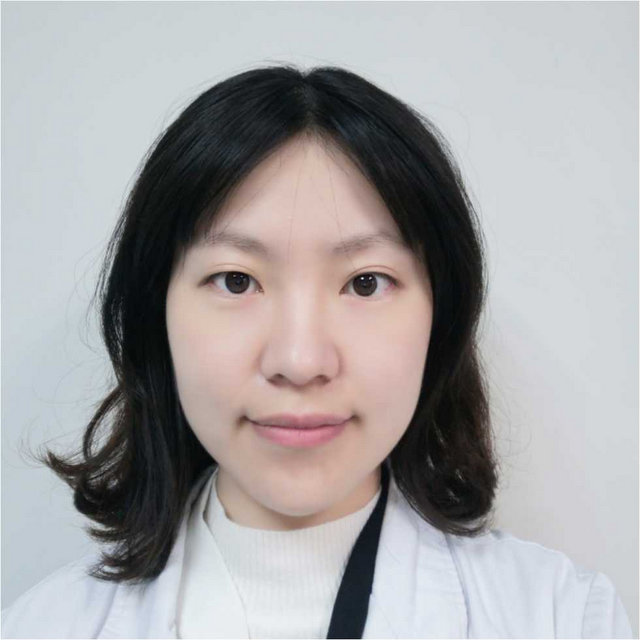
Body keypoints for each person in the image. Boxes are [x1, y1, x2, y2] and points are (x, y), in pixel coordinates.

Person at [1, 64, 632, 639]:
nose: (300, 362)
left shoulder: (564, 617)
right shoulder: (41, 627)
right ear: (154, 314)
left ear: (441, 318)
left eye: (366, 282)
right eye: (236, 281)